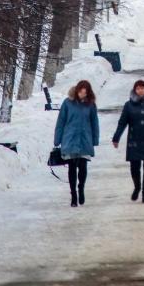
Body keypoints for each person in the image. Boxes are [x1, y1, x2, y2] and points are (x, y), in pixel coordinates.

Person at [53, 79, 100, 208]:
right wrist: (57, 139)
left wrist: (95, 139)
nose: (82, 94)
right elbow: (61, 122)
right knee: (72, 167)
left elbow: (94, 123)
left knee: (83, 166)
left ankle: (81, 188)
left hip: (85, 139)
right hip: (70, 139)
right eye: (81, 92)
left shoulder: (91, 105)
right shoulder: (67, 103)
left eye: (85, 93)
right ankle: (73, 195)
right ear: (77, 90)